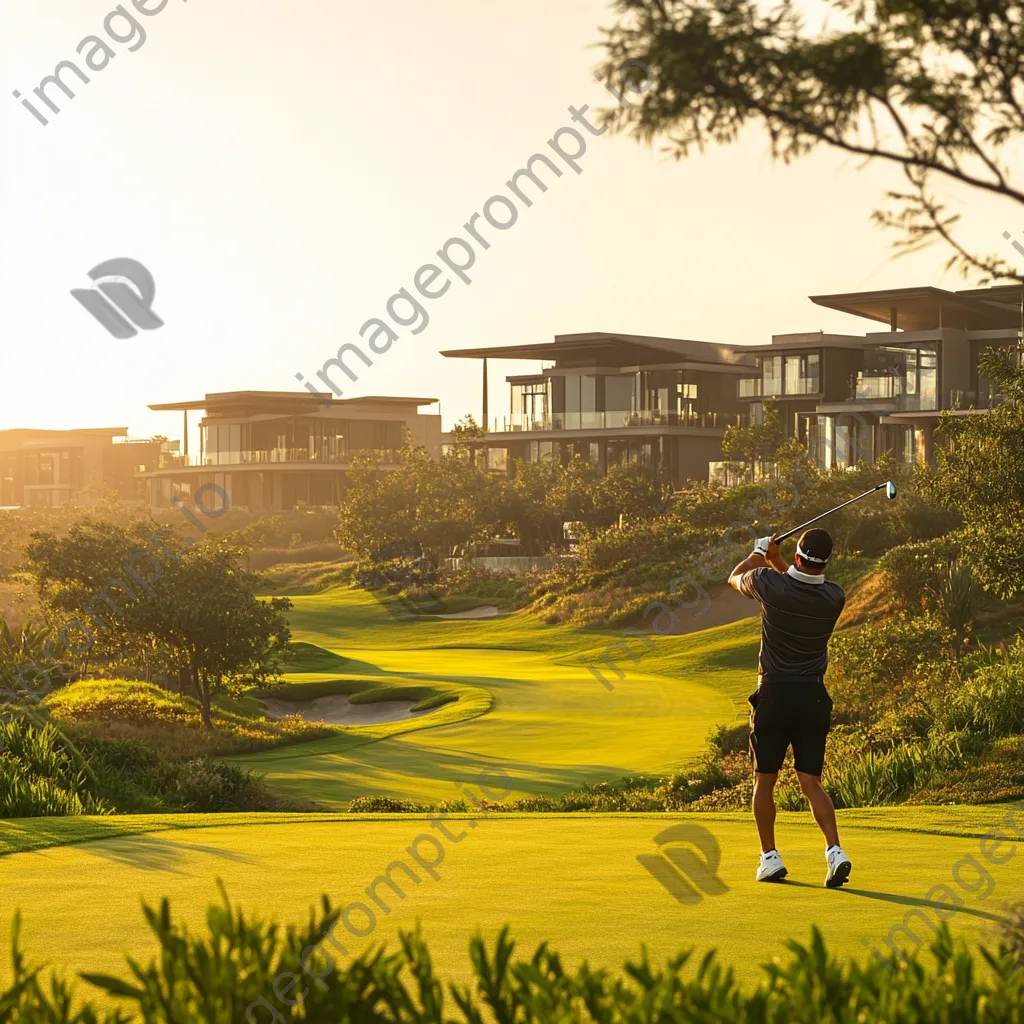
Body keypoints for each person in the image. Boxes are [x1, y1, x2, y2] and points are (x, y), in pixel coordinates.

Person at [727, 528, 852, 888]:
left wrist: (758, 552)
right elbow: (799, 582)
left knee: (765, 780)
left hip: (775, 696)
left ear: (798, 556)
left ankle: (770, 858)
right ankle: (835, 852)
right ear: (825, 561)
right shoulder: (834, 596)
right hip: (813, 698)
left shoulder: (768, 583)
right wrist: (777, 560)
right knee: (811, 782)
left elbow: (735, 579)